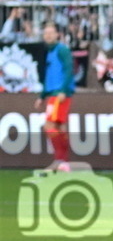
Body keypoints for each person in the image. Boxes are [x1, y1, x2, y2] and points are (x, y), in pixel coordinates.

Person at [35, 23, 74, 175]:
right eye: (46, 33)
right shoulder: (50, 52)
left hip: (59, 93)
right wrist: (42, 95)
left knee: (49, 125)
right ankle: (64, 163)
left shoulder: (62, 49)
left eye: (51, 33)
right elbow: (50, 76)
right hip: (53, 93)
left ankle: (60, 160)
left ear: (58, 34)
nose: (48, 36)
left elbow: (69, 69)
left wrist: (63, 90)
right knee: (60, 126)